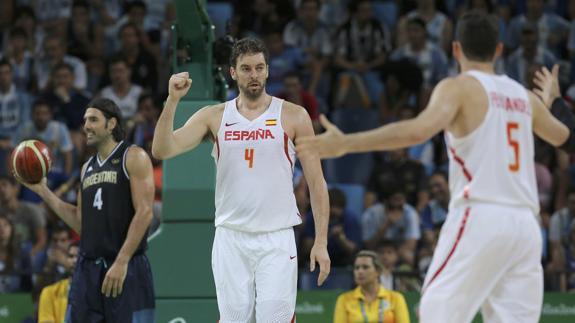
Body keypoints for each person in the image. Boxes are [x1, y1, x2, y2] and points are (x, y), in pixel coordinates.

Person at [297, 10, 575, 323]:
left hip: (481, 214)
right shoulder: (525, 98)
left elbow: (417, 130)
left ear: (456, 49)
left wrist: (347, 142)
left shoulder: (458, 87)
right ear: (499, 50)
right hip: (526, 225)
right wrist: (553, 100)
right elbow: (569, 139)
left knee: (434, 313)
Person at [152, 37, 330, 322]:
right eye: (246, 68)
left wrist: (321, 241)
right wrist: (172, 101)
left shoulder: (294, 116)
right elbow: (162, 149)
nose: (254, 75)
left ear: (268, 70)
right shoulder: (214, 116)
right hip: (230, 236)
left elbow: (317, 182)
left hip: (276, 236)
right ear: (233, 72)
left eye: (259, 67)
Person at [15, 97, 155, 322]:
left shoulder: (133, 156)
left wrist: (122, 261)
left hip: (124, 266)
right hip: (87, 269)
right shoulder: (86, 169)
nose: (86, 126)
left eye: (93, 120)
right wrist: (43, 191)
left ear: (111, 124)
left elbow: (145, 212)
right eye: (85, 120)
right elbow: (81, 222)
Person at [333, 250, 410, 323]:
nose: (360, 271)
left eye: (365, 267)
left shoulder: (396, 298)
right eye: (357, 268)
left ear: (378, 271)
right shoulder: (344, 300)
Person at [38, 241, 79, 323]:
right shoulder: (49, 292)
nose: (75, 260)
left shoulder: (94, 294)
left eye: (79, 256)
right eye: (71, 256)